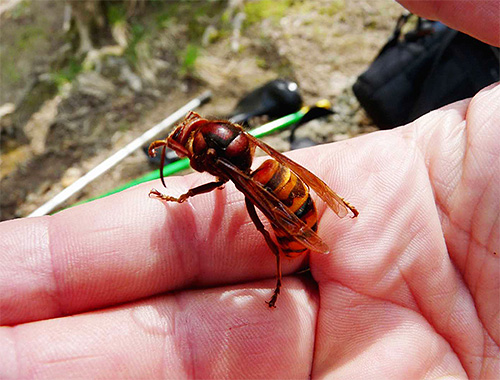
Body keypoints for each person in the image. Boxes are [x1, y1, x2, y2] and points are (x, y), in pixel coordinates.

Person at [0, 1, 498, 378]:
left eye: (191, 143)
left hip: (280, 202)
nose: (187, 148)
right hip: (275, 175)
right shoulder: (232, 145)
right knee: (262, 198)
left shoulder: (225, 166)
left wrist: (176, 195)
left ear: (209, 147)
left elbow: (217, 178)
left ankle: (282, 271)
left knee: (264, 218)